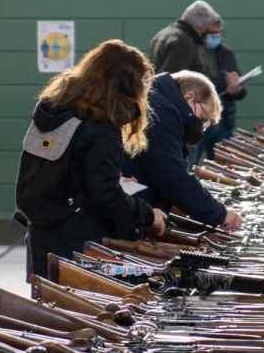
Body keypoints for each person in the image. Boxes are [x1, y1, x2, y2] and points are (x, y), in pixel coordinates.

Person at [14, 40, 166, 280]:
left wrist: (112, 177)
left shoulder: (54, 110)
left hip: (43, 230)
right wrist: (147, 215)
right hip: (77, 238)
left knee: (48, 308)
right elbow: (104, 193)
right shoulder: (100, 127)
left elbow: (65, 168)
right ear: (126, 86)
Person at [123, 70, 243, 232]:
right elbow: (172, 176)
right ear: (189, 97)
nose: (201, 127)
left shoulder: (158, 103)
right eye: (203, 119)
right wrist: (220, 214)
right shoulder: (161, 112)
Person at [193, 32, 246, 163]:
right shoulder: (192, 53)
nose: (216, 36)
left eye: (218, 33)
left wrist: (237, 89)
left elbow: (239, 90)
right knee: (190, 163)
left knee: (224, 164)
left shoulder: (226, 53)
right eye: (212, 33)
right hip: (198, 119)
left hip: (224, 118)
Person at [149, 0, 223, 74]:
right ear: (198, 26)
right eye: (207, 31)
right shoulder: (182, 41)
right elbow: (173, 79)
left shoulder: (162, 34)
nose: (205, 36)